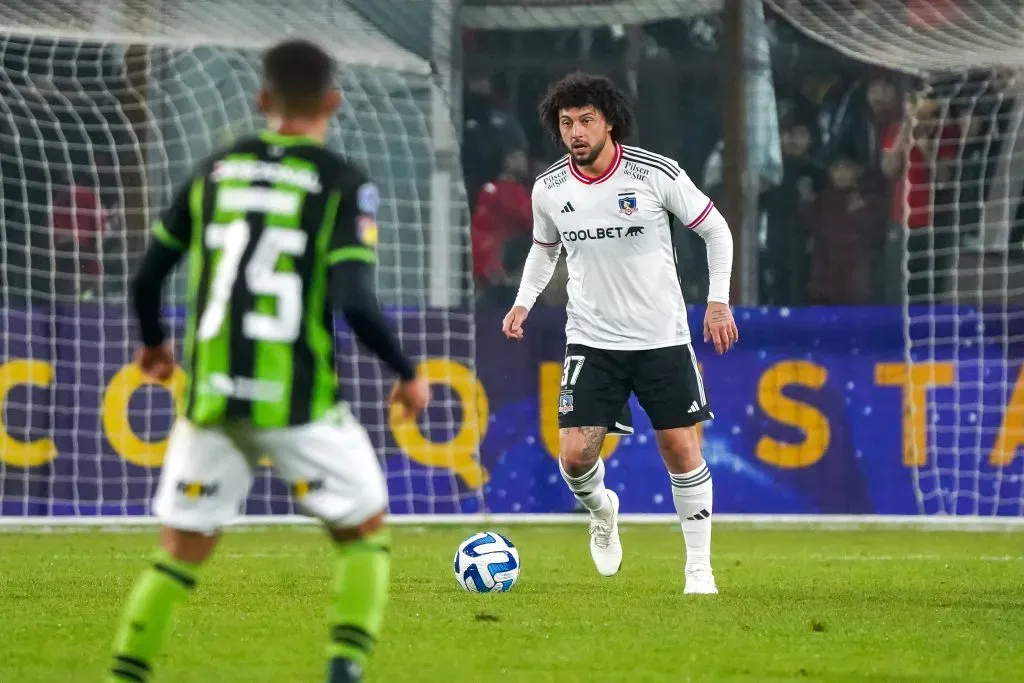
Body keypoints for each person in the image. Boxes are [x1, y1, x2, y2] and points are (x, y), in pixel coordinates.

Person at [105, 39, 429, 683]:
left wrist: (153, 344)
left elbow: (146, 280)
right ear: (333, 101)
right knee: (364, 531)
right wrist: (407, 372)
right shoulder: (341, 182)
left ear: (262, 100)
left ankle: (125, 675)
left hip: (214, 399)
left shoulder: (215, 169)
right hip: (298, 400)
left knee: (181, 554)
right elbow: (355, 301)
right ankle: (343, 672)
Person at [503, 72, 738, 594]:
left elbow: (714, 227)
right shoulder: (550, 189)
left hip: (661, 337)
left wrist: (718, 301)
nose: (576, 132)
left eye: (586, 120)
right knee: (575, 456)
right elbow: (545, 249)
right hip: (592, 339)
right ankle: (602, 508)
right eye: (567, 123)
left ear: (608, 121)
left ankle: (698, 567)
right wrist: (523, 302)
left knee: (680, 447)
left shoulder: (654, 173)